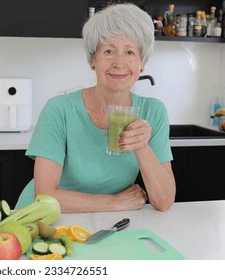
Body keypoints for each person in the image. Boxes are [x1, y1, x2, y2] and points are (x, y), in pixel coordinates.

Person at [15, 3, 176, 212]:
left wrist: (142, 147)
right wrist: (115, 202)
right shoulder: (59, 109)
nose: (119, 62)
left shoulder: (153, 112)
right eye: (109, 51)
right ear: (93, 60)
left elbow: (163, 202)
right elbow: (45, 196)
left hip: (105, 221)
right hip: (43, 220)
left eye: (129, 52)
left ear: (141, 63)